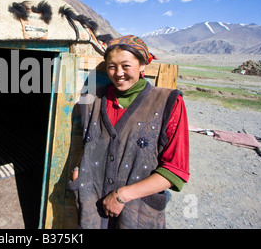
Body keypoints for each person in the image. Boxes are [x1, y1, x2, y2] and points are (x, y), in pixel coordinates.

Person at [70, 35, 190, 229]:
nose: (118, 73)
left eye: (126, 66)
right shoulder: (92, 100)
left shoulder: (169, 103)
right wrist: (78, 173)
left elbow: (176, 170)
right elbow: (85, 143)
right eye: (111, 66)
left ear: (143, 65)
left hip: (138, 214)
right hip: (92, 211)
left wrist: (123, 195)